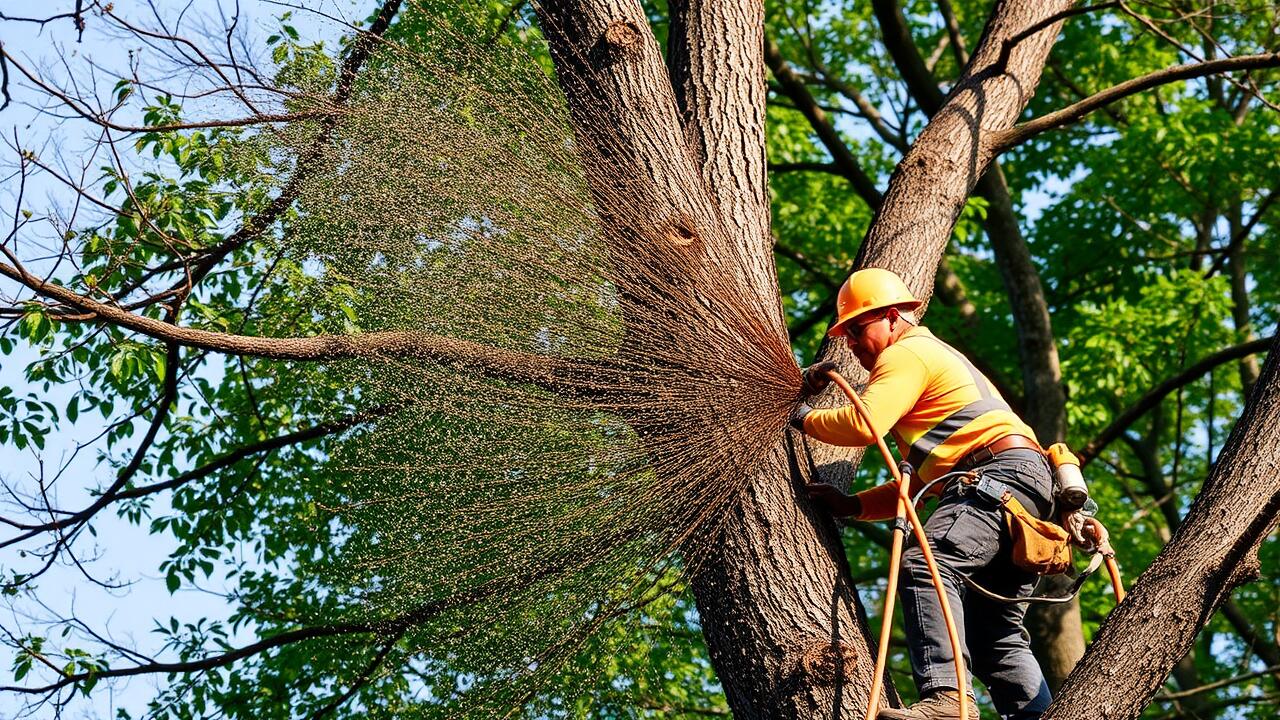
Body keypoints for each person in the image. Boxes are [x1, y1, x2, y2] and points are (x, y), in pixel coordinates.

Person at [791, 267, 1060, 720]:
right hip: (1020, 484)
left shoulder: (907, 354)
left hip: (996, 476)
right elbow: (916, 487)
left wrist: (803, 416)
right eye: (848, 334)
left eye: (859, 329)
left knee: (926, 562)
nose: (853, 344)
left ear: (893, 318)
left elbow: (864, 424)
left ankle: (949, 699)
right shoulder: (929, 373)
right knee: (993, 634)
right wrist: (856, 506)